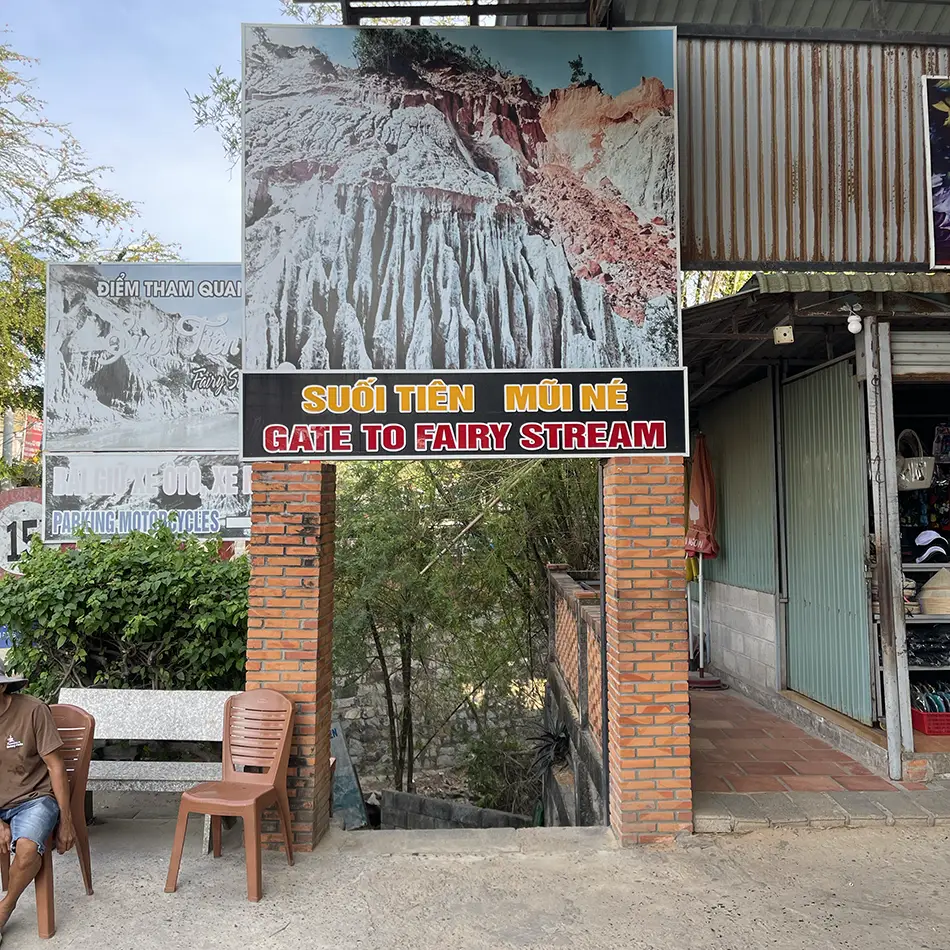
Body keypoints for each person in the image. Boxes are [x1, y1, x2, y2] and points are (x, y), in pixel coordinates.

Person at [0, 657, 75, 942]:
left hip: (34, 798)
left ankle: (4, 908)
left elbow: (56, 766)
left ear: (2, 687)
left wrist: (66, 821)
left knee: (28, 850)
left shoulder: (33, 710)